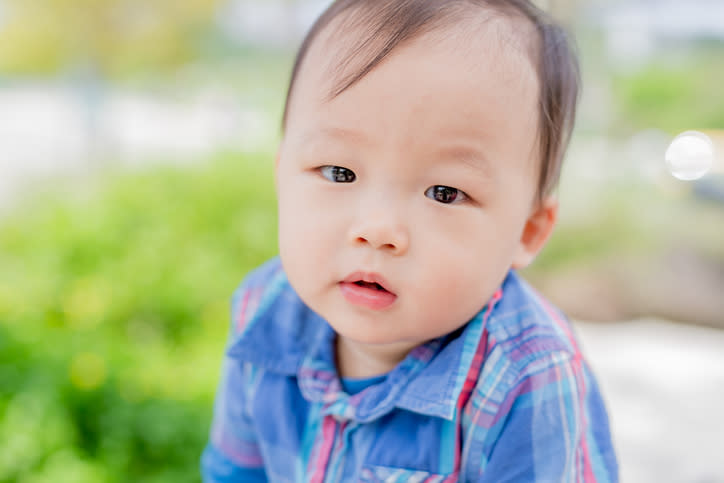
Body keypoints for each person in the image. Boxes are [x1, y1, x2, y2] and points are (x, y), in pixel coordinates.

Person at [201, 0, 618, 481]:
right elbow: (235, 471)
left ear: (527, 231)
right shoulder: (263, 308)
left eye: (445, 192)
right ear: (281, 176)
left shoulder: (527, 377)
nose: (377, 229)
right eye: (339, 172)